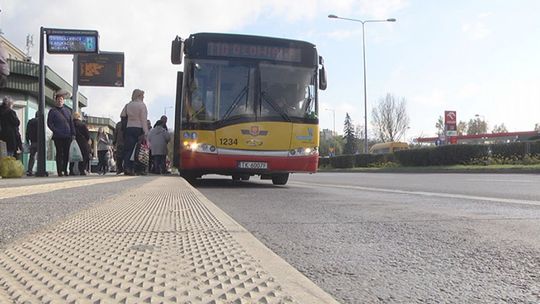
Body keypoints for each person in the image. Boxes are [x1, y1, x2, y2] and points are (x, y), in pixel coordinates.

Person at [120, 89, 148, 175]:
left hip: (129, 128)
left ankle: (127, 168)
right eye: (142, 95)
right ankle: (138, 169)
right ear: (139, 95)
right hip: (139, 128)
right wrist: (146, 131)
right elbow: (143, 119)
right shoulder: (142, 105)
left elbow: (122, 115)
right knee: (139, 150)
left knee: (129, 149)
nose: (143, 97)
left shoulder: (128, 105)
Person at [47, 89, 75, 177]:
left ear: (63, 101)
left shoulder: (67, 111)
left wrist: (73, 133)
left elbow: (71, 123)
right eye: (58, 100)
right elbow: (49, 123)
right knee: (59, 153)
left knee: (66, 153)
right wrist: (55, 130)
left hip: (67, 136)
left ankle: (65, 170)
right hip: (58, 136)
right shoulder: (52, 111)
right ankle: (60, 171)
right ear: (56, 101)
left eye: (61, 100)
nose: (60, 101)